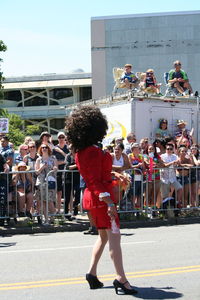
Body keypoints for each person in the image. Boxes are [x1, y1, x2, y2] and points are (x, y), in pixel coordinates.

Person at [65, 105, 137, 295]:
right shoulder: (91, 152)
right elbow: (94, 180)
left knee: (104, 237)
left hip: (96, 197)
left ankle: (92, 273)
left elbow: (98, 173)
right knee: (114, 237)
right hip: (101, 199)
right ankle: (121, 279)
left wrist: (116, 176)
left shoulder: (85, 151)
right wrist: (110, 203)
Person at [35, 144, 57, 224]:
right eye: (43, 147)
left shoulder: (53, 158)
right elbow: (36, 172)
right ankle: (46, 219)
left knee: (50, 200)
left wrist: (54, 168)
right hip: (41, 182)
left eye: (46, 147)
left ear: (48, 149)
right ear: (40, 149)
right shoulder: (38, 160)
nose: (44, 149)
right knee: (43, 201)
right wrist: (42, 167)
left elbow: (56, 168)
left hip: (50, 182)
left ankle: (53, 217)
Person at [53, 132, 69, 213]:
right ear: (58, 138)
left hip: (68, 172)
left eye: (63, 137)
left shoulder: (68, 148)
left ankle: (68, 211)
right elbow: (53, 161)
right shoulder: (54, 149)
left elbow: (70, 160)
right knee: (58, 192)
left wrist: (62, 160)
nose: (61, 139)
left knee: (68, 192)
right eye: (60, 137)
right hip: (58, 172)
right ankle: (58, 210)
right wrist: (64, 161)